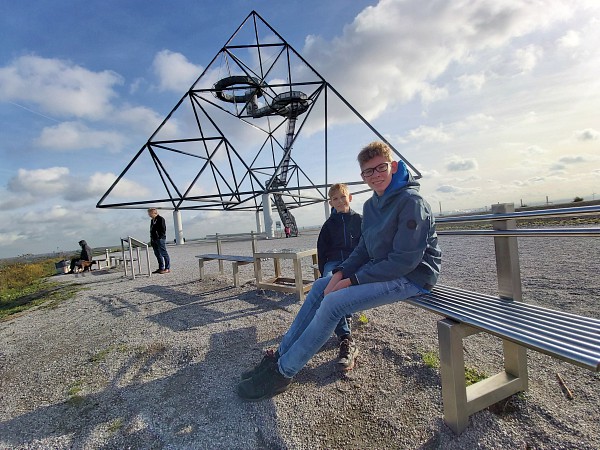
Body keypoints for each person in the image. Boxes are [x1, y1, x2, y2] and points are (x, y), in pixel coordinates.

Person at [237, 141, 442, 401]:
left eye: (381, 168)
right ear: (362, 176)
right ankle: (280, 354)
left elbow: (404, 261)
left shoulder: (412, 202)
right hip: (384, 269)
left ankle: (282, 373)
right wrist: (340, 273)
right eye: (369, 172)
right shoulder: (372, 205)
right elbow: (364, 249)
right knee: (323, 286)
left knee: (334, 303)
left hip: (414, 276)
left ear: (391, 166)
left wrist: (353, 280)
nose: (376, 175)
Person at [316, 183, 363, 370]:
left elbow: (366, 246)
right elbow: (322, 250)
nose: (340, 201)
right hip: (333, 262)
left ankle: (345, 316)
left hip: (353, 261)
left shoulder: (360, 220)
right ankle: (345, 336)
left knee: (346, 285)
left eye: (343, 197)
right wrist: (324, 272)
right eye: (335, 198)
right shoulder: (328, 225)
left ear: (350, 198)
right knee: (328, 286)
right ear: (330, 203)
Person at [147, 207, 171, 274]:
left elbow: (163, 229)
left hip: (160, 239)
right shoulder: (152, 220)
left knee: (164, 253)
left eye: (149, 213)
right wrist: (152, 239)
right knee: (157, 254)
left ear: (154, 212)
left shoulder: (160, 219)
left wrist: (159, 237)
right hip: (153, 239)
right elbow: (151, 230)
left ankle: (167, 268)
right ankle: (161, 268)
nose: (149, 215)